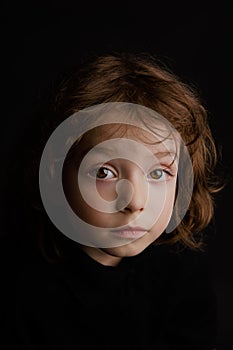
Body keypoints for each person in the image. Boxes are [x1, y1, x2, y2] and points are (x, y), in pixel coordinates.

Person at [4, 52, 223, 349]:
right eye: (104, 172)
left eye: (158, 172)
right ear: (55, 174)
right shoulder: (23, 290)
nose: (135, 202)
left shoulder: (183, 278)